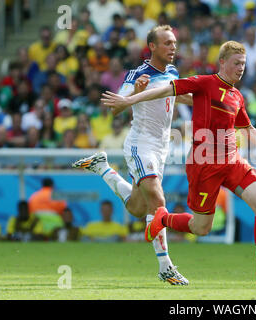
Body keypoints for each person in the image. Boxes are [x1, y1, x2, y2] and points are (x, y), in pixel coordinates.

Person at [101, 40, 256, 288]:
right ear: (222, 62)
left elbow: (248, 129)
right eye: (236, 63)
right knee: (201, 228)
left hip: (233, 161)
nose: (241, 68)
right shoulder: (205, 83)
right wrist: (130, 100)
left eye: (244, 64)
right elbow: (166, 90)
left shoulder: (237, 96)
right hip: (204, 164)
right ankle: (162, 218)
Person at [72, 25, 189, 285]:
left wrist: (209, 100)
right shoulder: (138, 73)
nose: (173, 47)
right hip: (141, 144)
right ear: (153, 47)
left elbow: (176, 95)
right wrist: (135, 91)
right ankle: (165, 267)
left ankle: (102, 167)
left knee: (138, 208)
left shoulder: (172, 71)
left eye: (174, 43)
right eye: (168, 43)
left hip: (161, 147)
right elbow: (116, 106)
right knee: (157, 198)